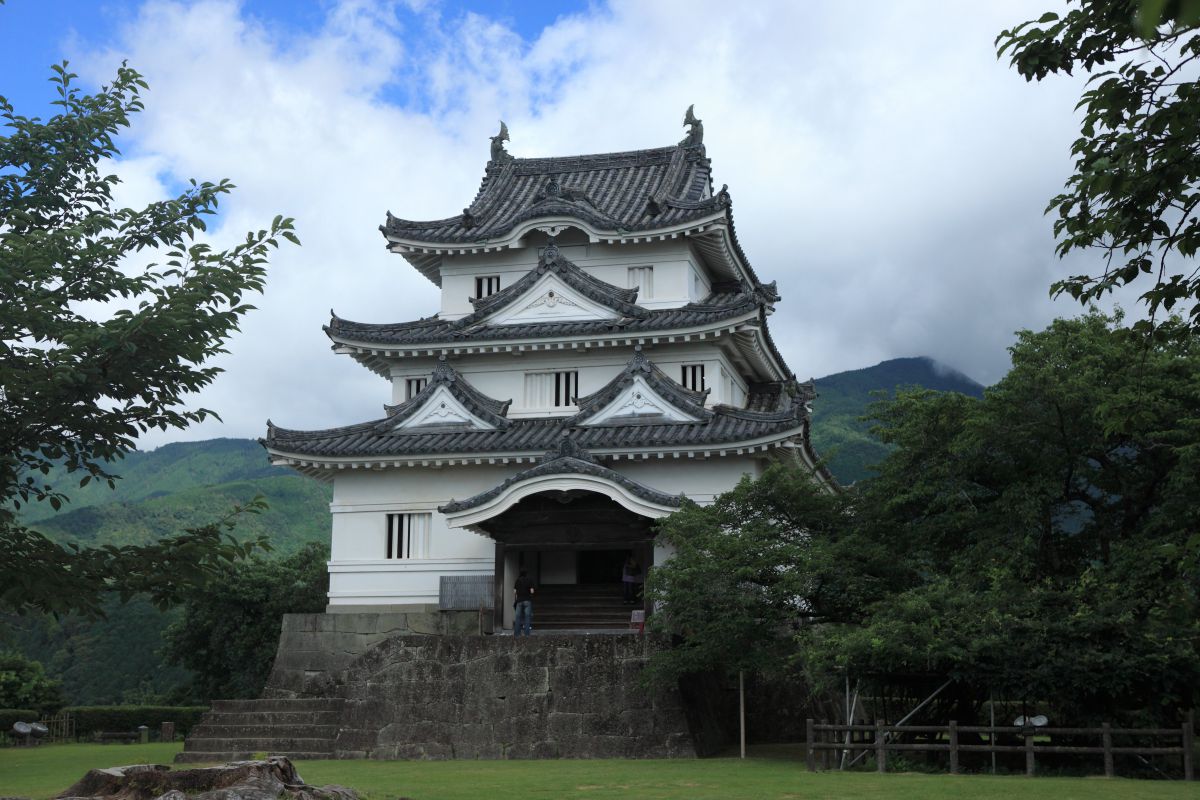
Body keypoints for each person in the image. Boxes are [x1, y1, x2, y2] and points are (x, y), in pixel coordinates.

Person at [513, 569, 534, 636]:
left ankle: (517, 634)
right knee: (527, 617)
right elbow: (532, 591)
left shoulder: (517, 580)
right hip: (527, 600)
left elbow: (514, 592)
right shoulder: (529, 580)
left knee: (518, 617)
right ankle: (527, 634)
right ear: (526, 574)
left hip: (519, 601)